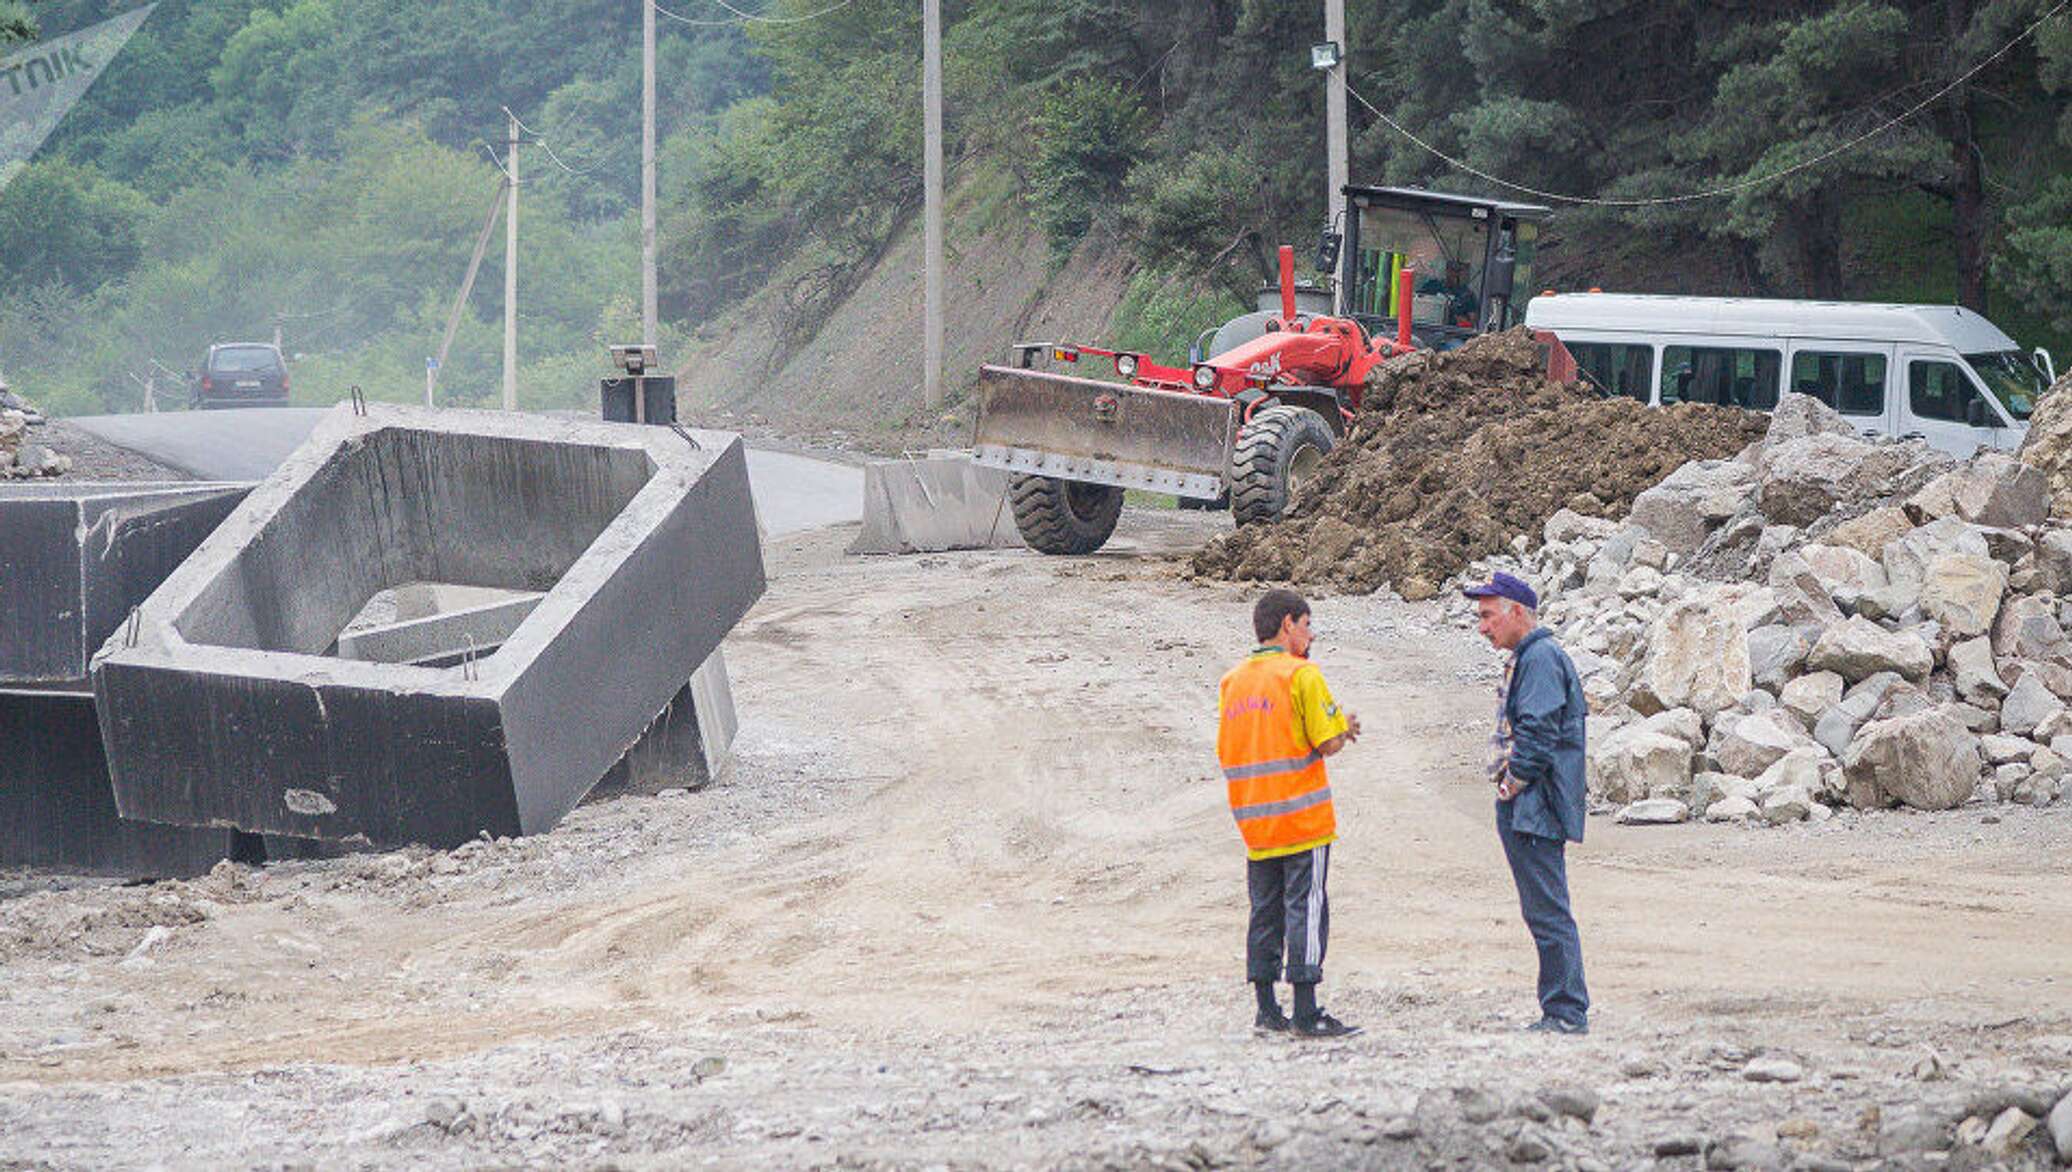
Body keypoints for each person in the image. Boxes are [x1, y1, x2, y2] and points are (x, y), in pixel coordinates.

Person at [1217, 588, 1362, 1039]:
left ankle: (1266, 1008)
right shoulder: (1302, 676)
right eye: (1307, 624)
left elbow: (1230, 751)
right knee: (1307, 908)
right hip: (1303, 819)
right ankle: (1306, 1010)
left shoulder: (1233, 682)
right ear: (1287, 625)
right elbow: (1326, 742)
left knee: (1265, 911)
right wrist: (1343, 727)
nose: (1311, 634)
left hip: (1256, 823)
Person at [1462, 571, 1590, 1035]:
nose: (1482, 627)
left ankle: (1565, 1011)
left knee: (1547, 911)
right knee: (1544, 909)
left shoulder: (1540, 659)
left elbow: (1538, 735)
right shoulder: (1532, 657)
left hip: (1535, 806)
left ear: (1517, 612)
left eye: (1487, 615)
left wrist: (1511, 784)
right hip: (1531, 804)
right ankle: (1562, 1007)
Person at [1418, 259, 1480, 327]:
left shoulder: (1469, 295)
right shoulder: (1433, 285)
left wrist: (1457, 318)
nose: (1455, 274)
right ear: (1447, 270)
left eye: (1459, 271)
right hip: (1428, 327)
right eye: (1453, 270)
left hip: (1456, 333)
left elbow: (1472, 323)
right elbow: (1417, 302)